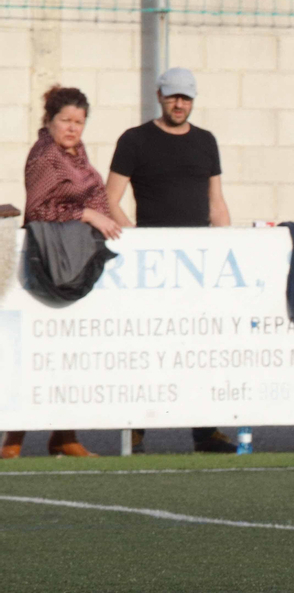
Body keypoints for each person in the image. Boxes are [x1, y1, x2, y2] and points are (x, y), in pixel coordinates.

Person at [105, 67, 237, 456]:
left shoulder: (206, 141)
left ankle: (206, 431)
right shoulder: (134, 140)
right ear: (160, 95)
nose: (179, 104)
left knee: (203, 349)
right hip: (152, 268)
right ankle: (135, 431)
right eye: (173, 96)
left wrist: (227, 249)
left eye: (186, 98)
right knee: (147, 349)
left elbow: (216, 202)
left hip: (200, 265)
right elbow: (110, 199)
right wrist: (137, 241)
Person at [2, 85, 121, 460]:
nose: (72, 128)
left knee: (69, 352)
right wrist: (88, 215)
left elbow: (95, 197)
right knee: (37, 351)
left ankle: (64, 436)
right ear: (49, 120)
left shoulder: (78, 154)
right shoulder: (44, 156)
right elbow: (39, 211)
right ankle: (14, 440)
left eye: (79, 122)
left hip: (79, 256)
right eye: (65, 120)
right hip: (49, 262)